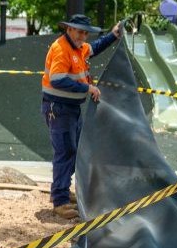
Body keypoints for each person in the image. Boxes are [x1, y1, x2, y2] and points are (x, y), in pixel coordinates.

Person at [41, 14, 122, 220]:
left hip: (71, 108)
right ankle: (59, 200)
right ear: (69, 29)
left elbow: (94, 48)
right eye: (79, 31)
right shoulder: (61, 49)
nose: (83, 36)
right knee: (65, 151)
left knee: (73, 151)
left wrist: (113, 36)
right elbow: (57, 80)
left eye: (85, 32)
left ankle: (63, 190)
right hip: (58, 108)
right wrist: (88, 88)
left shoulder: (79, 48)